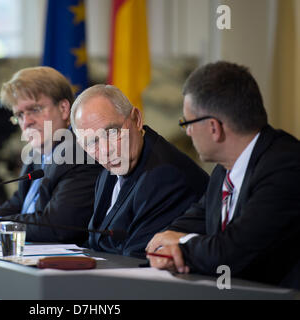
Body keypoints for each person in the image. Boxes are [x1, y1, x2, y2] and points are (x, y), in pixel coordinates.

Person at [146, 61, 300, 289]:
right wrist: (168, 242)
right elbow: (187, 224)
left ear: (213, 127)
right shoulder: (223, 171)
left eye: (187, 123)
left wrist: (182, 247)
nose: (187, 132)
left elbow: (234, 250)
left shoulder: (286, 165)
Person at [0, 66, 102, 244]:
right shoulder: (37, 153)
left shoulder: (81, 155)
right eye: (20, 115)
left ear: (64, 108)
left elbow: (56, 226)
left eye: (35, 109)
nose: (27, 122)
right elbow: (20, 202)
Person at [70, 84, 209, 258]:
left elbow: (136, 255)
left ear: (136, 119)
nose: (106, 150)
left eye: (112, 132)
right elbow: (96, 241)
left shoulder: (166, 175)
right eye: (92, 142)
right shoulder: (110, 170)